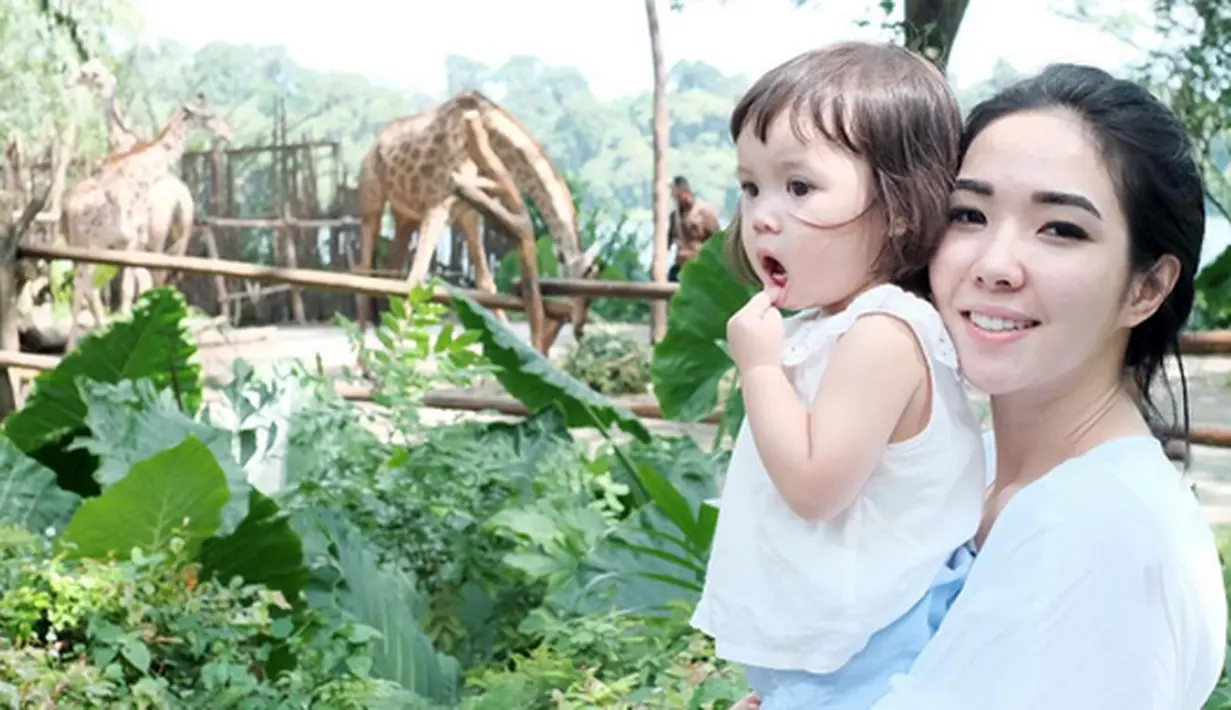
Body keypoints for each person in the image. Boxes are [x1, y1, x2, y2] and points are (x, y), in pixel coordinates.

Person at [746, 63, 1230, 710]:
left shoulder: (1100, 527)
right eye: (967, 215)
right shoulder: (979, 469)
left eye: (1060, 228)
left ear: (1144, 287)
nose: (994, 265)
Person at [690, 41, 987, 709]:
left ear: (901, 204)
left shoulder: (881, 333)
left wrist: (760, 370)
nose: (763, 214)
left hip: (872, 651)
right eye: (750, 186)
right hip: (837, 650)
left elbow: (814, 487)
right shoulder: (825, 328)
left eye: (799, 186)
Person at [667, 176, 720, 282]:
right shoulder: (674, 216)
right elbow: (667, 241)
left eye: (677, 195)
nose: (675, 199)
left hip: (700, 264)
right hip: (680, 265)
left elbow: (717, 240)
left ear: (685, 193)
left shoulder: (704, 212)